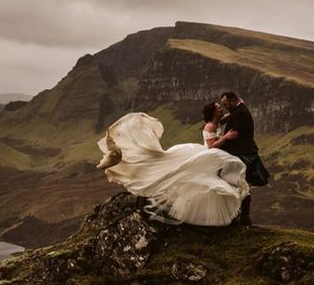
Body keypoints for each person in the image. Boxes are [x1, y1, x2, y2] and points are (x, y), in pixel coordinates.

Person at [96, 111, 250, 226]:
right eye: (219, 108)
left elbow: (223, 118)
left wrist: (238, 109)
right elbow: (211, 146)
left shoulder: (216, 122)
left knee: (192, 177)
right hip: (207, 152)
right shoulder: (211, 125)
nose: (221, 109)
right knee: (180, 171)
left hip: (203, 152)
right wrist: (225, 137)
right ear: (213, 113)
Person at [219, 91, 270, 226]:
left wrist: (218, 149)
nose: (225, 107)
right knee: (242, 186)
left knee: (241, 186)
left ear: (233, 101)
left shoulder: (239, 113)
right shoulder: (238, 110)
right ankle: (242, 217)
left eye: (226, 104)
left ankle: (243, 217)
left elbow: (234, 136)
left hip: (242, 154)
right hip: (244, 152)